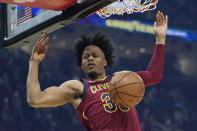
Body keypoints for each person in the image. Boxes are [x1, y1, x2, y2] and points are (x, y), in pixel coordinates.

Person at [27, 11, 168, 131]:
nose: (90, 59)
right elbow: (35, 99)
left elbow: (154, 75)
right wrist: (34, 62)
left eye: (95, 55)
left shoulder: (123, 79)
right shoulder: (78, 88)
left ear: (105, 61)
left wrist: (160, 39)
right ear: (81, 65)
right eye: (85, 57)